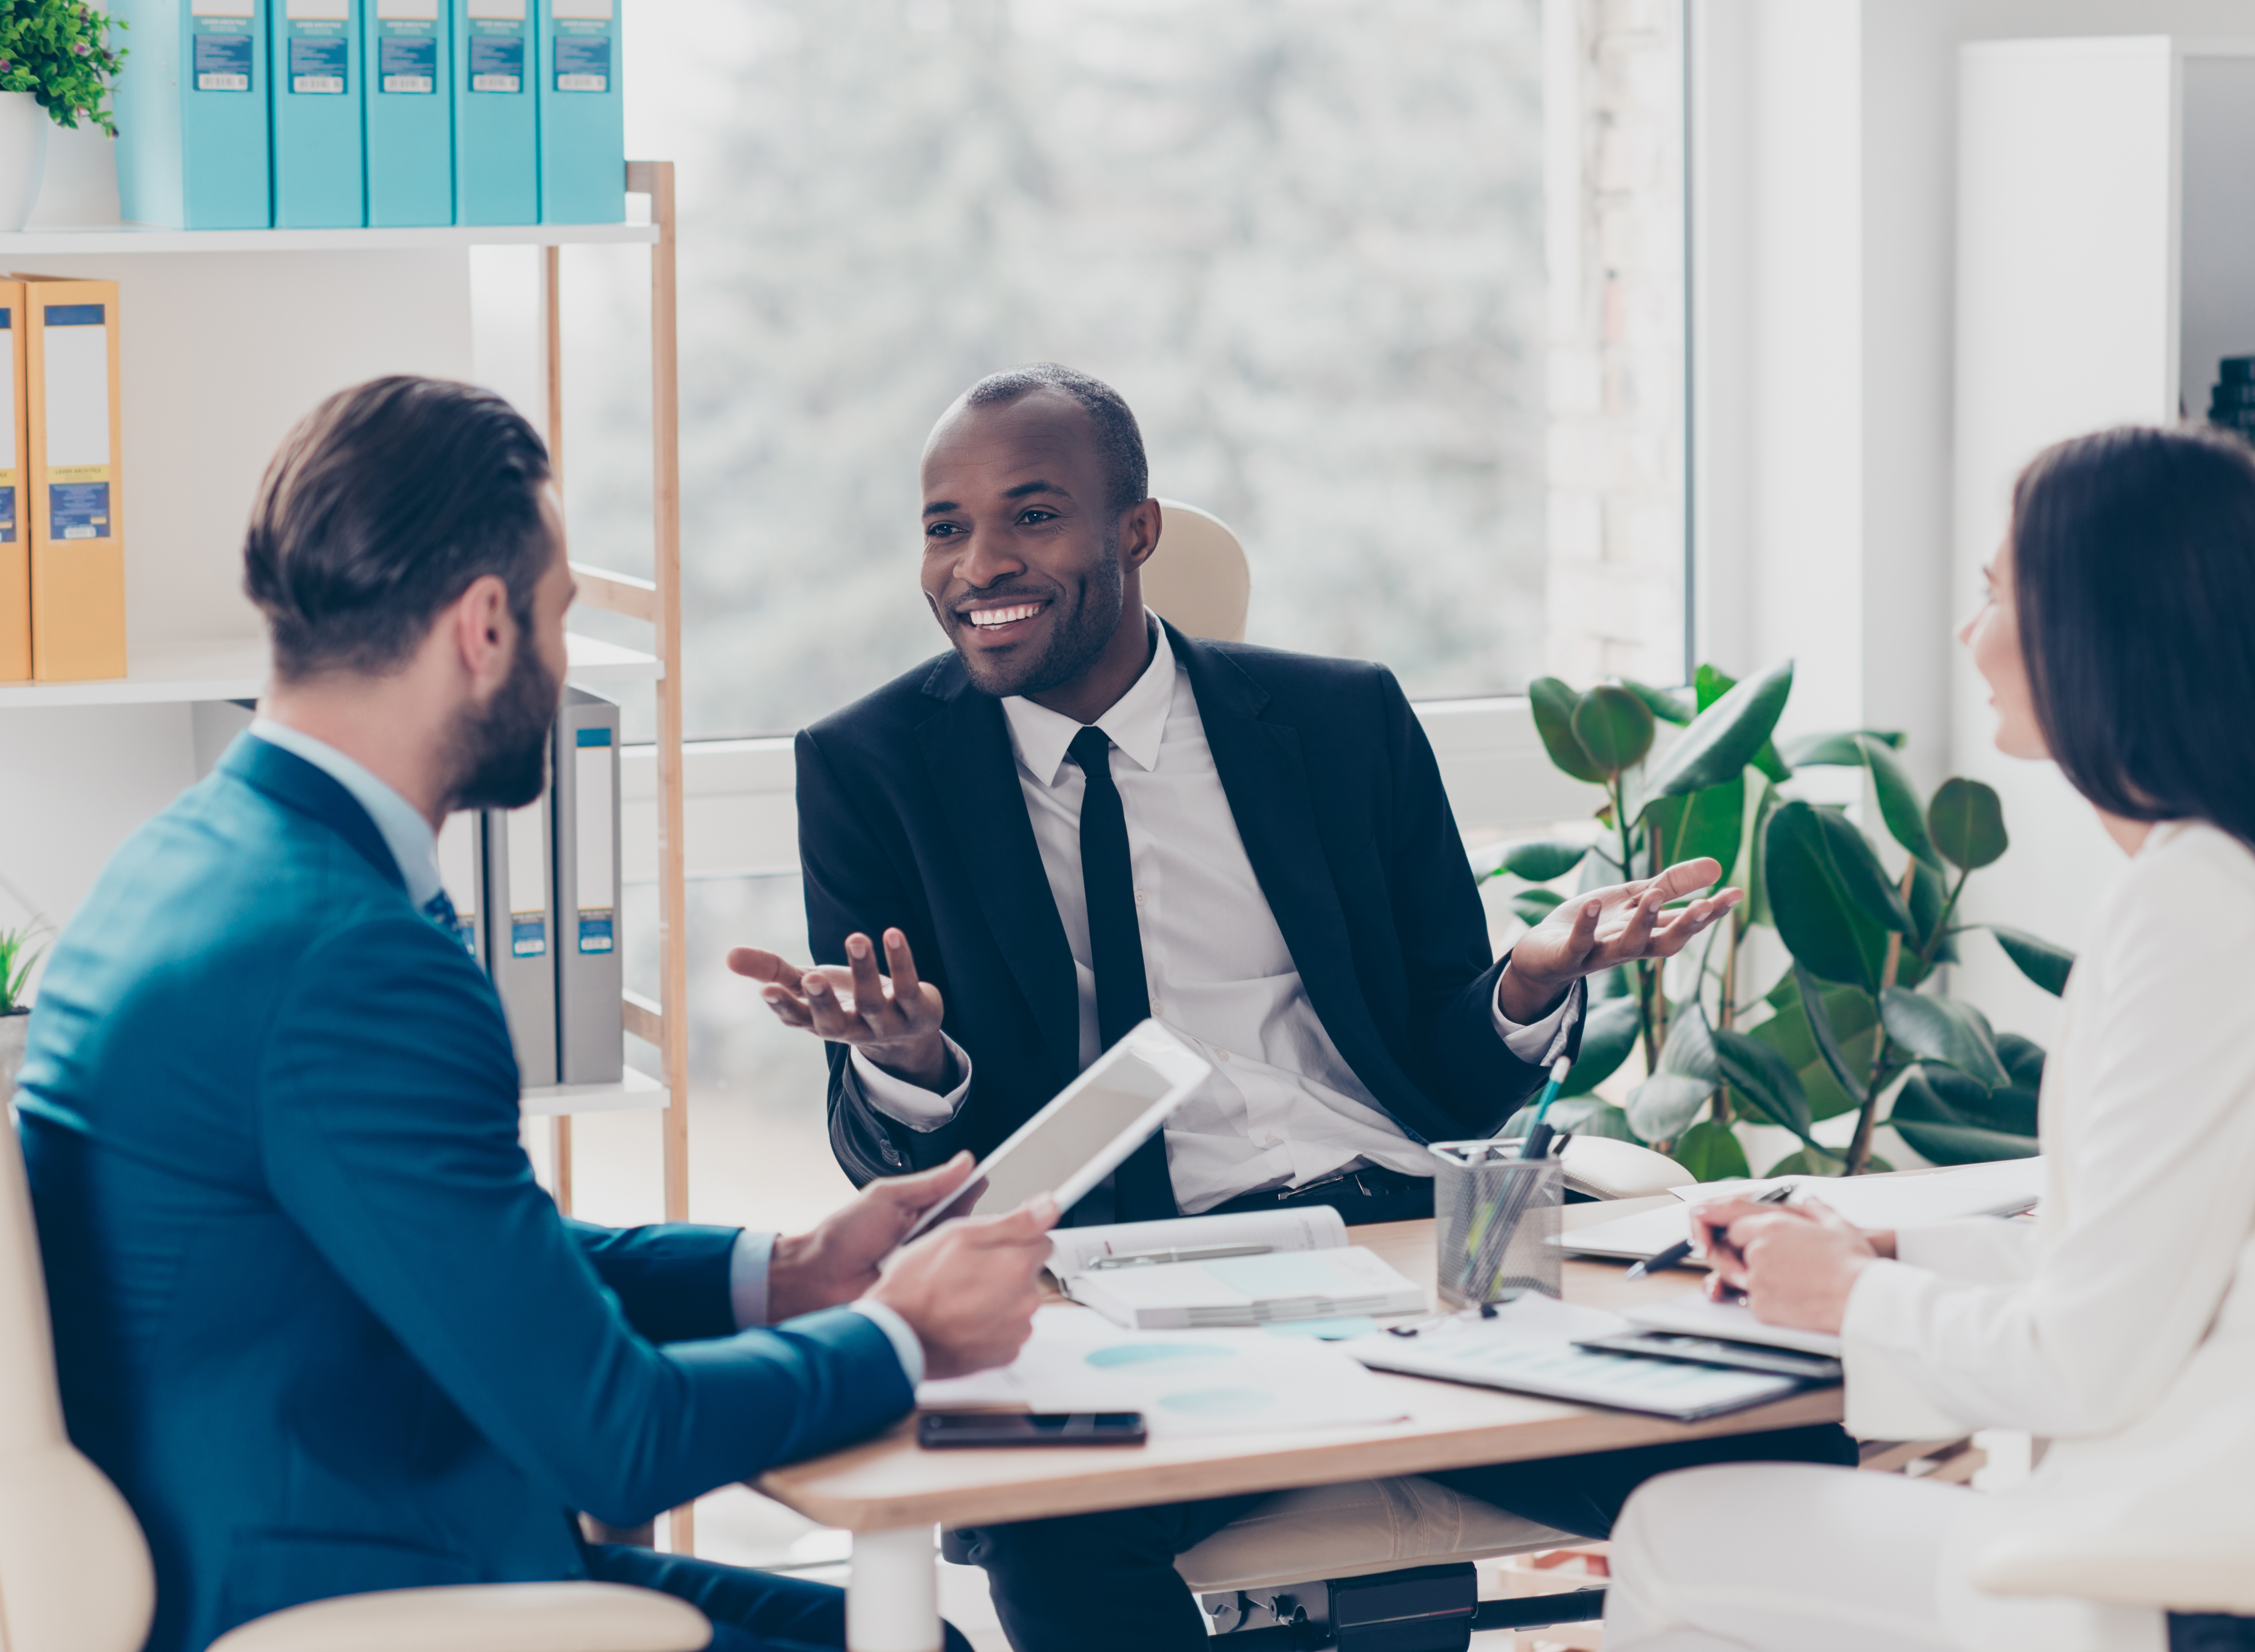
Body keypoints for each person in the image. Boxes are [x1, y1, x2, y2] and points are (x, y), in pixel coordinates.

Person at [726, 363, 1857, 1652]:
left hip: (1402, 1250)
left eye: (1031, 516)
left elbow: (1452, 1060)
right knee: (1061, 1549)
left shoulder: (1338, 723)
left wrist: (1529, 981)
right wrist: (911, 1061)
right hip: (1122, 1279)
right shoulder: (873, 768)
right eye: (945, 526)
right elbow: (898, 1163)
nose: (978, 563)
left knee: (1781, 1445)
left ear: (1135, 531)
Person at [13, 376, 1057, 1652]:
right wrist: (901, 1334)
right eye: (560, 620)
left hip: (291, 1540)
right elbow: (619, 1442)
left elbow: (476, 1258)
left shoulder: (188, 860)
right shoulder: (350, 960)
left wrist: (782, 1276)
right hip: (355, 1598)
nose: (564, 673)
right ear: (484, 627)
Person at [1600, 425, 2255, 1652]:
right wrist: (1887, 1245)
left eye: (1997, 591)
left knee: (1669, 1538)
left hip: (2207, 1584)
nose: (1973, 635)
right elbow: (2171, 1279)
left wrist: (1848, 1290)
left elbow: (2086, 1362)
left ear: (2103, 627)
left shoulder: (2202, 902)